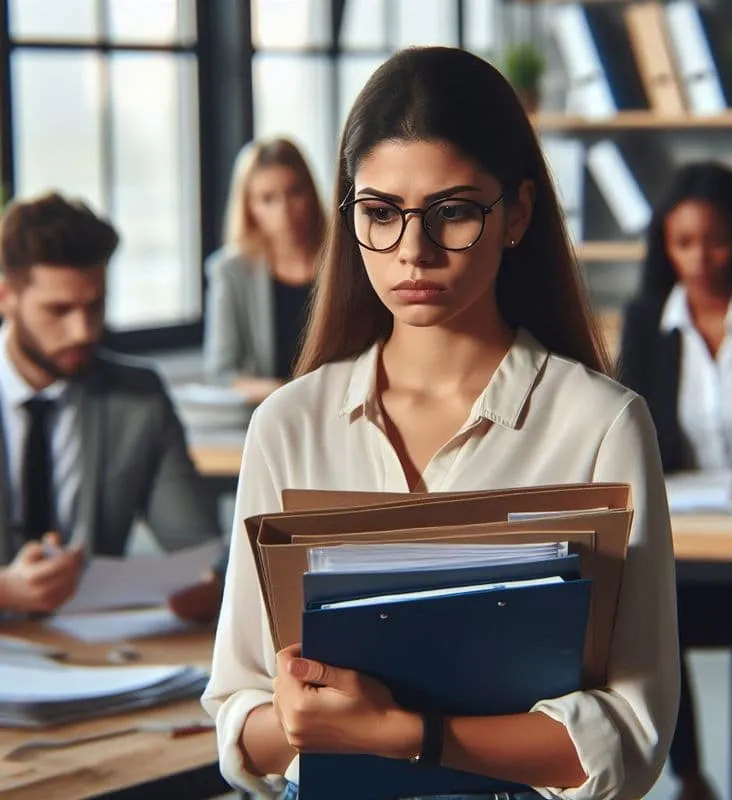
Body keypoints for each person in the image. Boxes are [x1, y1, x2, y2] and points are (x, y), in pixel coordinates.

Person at [202, 46, 679, 800]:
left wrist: (405, 736)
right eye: (380, 214)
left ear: (517, 213)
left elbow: (630, 734)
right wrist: (292, 718)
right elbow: (238, 712)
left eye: (452, 212)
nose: (412, 253)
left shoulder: (599, 422)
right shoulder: (288, 424)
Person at [618, 161, 732, 800]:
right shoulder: (646, 322)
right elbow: (627, 432)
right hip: (688, 535)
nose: (701, 259)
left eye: (716, 239)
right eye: (684, 241)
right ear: (665, 244)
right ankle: (690, 778)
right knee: (643, 608)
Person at [0, 192, 224, 623]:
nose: (83, 330)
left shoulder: (138, 398)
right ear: (7, 297)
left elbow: (200, 546)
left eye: (95, 305)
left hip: (100, 651)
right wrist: (7, 590)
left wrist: (210, 584)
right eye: (59, 310)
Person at [203, 138, 327, 403]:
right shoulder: (230, 271)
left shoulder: (345, 260)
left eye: (295, 192)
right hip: (272, 413)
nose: (285, 211)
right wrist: (282, 393)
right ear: (249, 207)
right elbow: (222, 372)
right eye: (268, 199)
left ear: (312, 192)